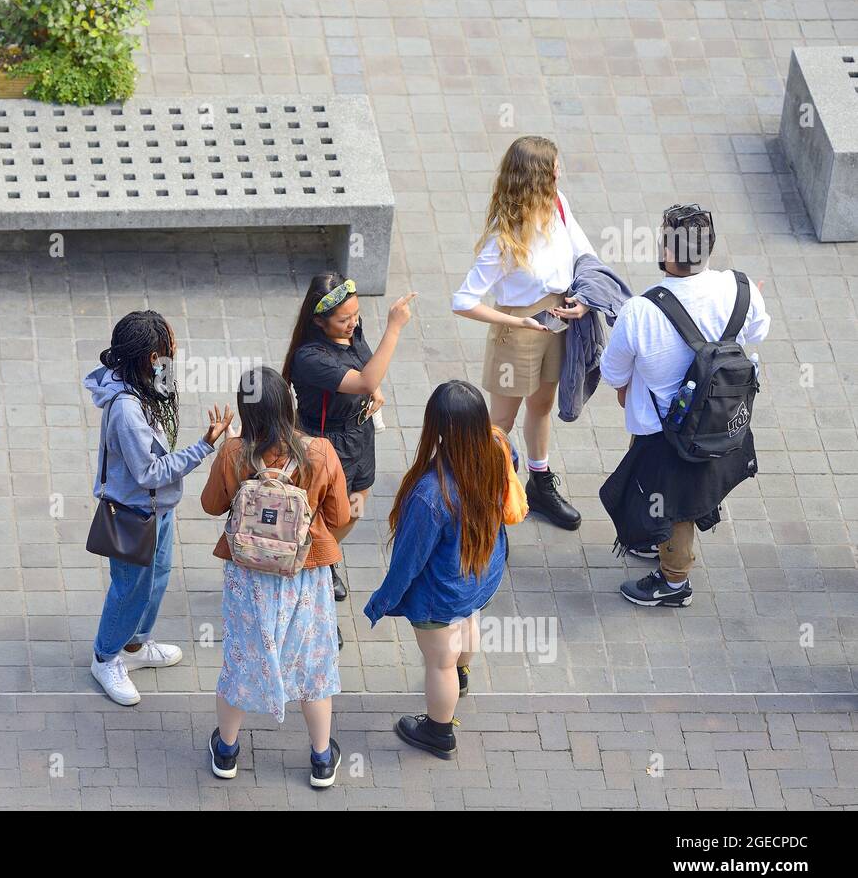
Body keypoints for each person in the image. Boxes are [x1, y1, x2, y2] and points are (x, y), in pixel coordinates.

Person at [600, 204, 769, 607]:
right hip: (723, 420)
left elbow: (612, 372)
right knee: (675, 495)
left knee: (674, 505)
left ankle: (674, 582)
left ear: (669, 253)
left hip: (666, 433)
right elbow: (759, 330)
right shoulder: (741, 289)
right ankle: (654, 540)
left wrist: (628, 389)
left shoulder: (641, 310)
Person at [200, 367, 351, 788]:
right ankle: (322, 759)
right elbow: (339, 517)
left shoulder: (234, 452)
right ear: (290, 404)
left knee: (241, 658)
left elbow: (212, 505)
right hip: (304, 574)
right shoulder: (319, 452)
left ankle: (227, 751)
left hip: (247, 576)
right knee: (312, 662)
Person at [84, 311, 234, 705]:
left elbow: (165, 411)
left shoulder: (146, 382)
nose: (175, 351)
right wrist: (205, 445)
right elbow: (150, 471)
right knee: (129, 589)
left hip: (158, 511)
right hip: (135, 512)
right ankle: (105, 657)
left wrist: (164, 371)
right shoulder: (128, 413)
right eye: (167, 348)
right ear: (150, 358)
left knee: (158, 578)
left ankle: (135, 646)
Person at [364, 380, 517, 760]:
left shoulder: (432, 493)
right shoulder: (499, 447)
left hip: (440, 593)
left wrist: (382, 601)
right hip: (481, 573)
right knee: (467, 622)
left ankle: (438, 731)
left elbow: (409, 561)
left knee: (439, 662)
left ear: (438, 428)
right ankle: (461, 677)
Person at [452, 135, 594, 531]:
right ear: (538, 176)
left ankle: (539, 482)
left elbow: (586, 256)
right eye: (554, 167)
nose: (559, 172)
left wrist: (582, 300)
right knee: (500, 423)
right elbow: (462, 300)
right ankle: (483, 499)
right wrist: (516, 322)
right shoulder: (505, 238)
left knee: (543, 404)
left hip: (559, 320)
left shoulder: (559, 206)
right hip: (518, 330)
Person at [281, 273, 417, 639]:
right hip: (326, 445)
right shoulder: (310, 357)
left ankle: (323, 556)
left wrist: (376, 393)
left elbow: (368, 372)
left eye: (355, 315)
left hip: (360, 436)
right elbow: (362, 380)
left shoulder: (350, 331)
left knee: (353, 509)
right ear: (318, 320)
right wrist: (395, 328)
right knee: (324, 518)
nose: (353, 323)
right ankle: (313, 574)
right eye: (343, 320)